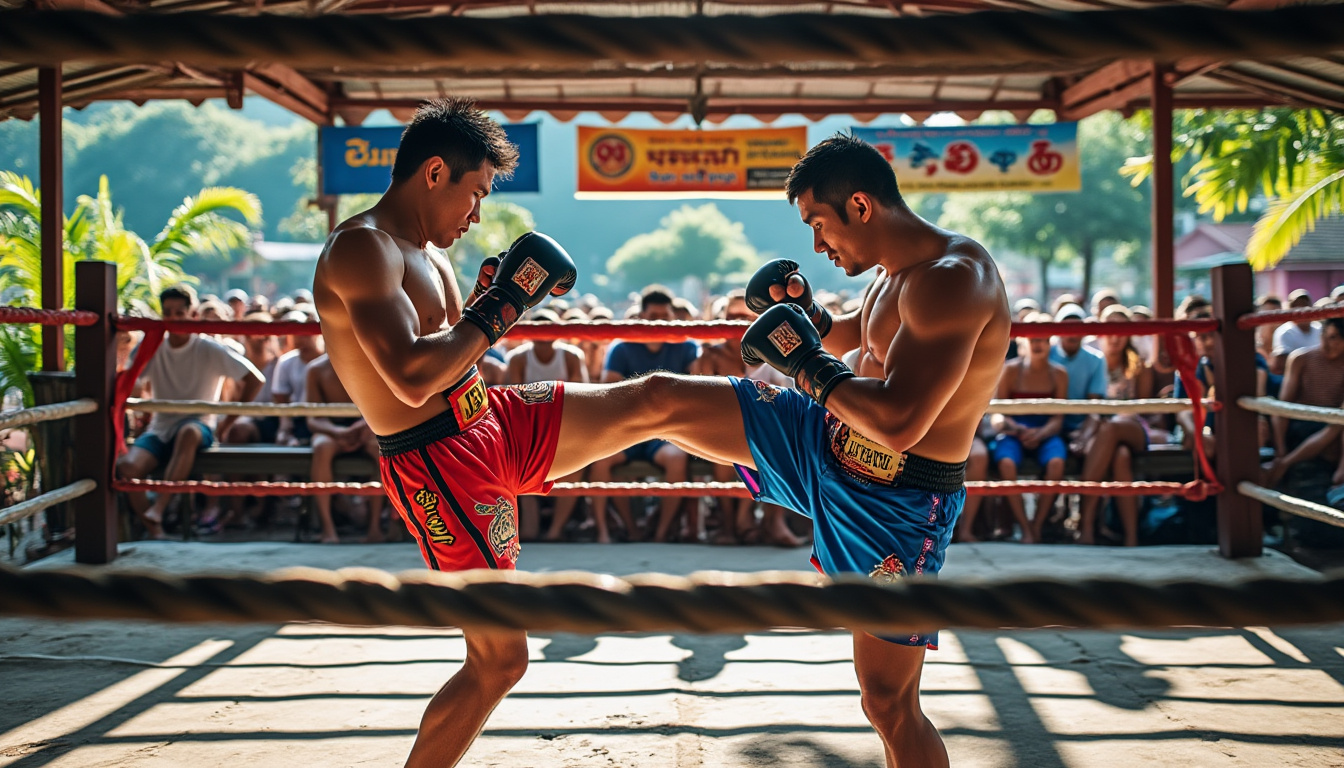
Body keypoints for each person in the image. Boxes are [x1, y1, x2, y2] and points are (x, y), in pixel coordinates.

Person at [313, 106, 1004, 767]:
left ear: (860, 207)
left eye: (819, 227)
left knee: (887, 701)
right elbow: (409, 379)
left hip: (895, 494)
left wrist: (805, 345)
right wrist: (803, 323)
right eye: (477, 194)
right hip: (443, 456)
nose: (478, 214)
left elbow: (901, 418)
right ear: (435, 174)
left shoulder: (950, 279)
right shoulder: (363, 251)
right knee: (508, 650)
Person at [116, 284, 264, 539]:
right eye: (168, 313)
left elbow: (254, 379)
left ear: (192, 314)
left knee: (188, 432)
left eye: (179, 312)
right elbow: (130, 381)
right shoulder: (153, 346)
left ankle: (160, 508)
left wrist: (226, 423)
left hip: (200, 427)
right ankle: (155, 529)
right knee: (127, 468)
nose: (173, 318)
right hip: (160, 429)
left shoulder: (208, 347)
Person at [691, 290, 806, 548]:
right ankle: (732, 524)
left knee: (774, 443)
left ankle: (766, 522)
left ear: (756, 319)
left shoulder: (772, 353)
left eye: (743, 316)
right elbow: (702, 403)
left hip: (763, 430)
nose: (736, 321)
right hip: (721, 431)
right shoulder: (710, 355)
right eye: (731, 315)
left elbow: (790, 397)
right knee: (729, 447)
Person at [590, 285, 701, 543]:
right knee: (601, 458)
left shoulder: (686, 346)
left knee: (676, 458)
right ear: (641, 317)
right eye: (653, 317)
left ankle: (661, 532)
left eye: (665, 317)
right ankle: (617, 530)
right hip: (628, 429)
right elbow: (610, 392)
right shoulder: (621, 347)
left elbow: (697, 388)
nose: (660, 322)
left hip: (667, 430)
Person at [503, 308, 591, 542]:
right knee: (517, 463)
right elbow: (514, 404)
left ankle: (555, 529)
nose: (544, 338)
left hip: (565, 427)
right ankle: (530, 528)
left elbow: (583, 399)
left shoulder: (571, 356)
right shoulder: (518, 358)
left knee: (576, 465)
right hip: (527, 430)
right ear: (530, 335)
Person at [1075, 305, 1154, 546]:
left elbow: (1143, 408)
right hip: (1101, 432)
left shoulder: (1139, 366)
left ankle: (1085, 524)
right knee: (1120, 458)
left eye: (1121, 330)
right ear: (1100, 330)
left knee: (1112, 428)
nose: (1115, 336)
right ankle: (1130, 536)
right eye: (1109, 329)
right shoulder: (1090, 360)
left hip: (1132, 427)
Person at [989, 312, 1068, 544]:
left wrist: (1041, 433)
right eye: (1033, 339)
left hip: (1045, 432)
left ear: (1049, 342)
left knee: (1056, 463)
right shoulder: (1010, 370)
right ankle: (1024, 526)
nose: (1037, 344)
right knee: (1006, 463)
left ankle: (1037, 524)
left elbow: (1059, 417)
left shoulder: (1059, 374)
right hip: (1014, 431)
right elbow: (998, 412)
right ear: (1024, 341)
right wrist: (1017, 429)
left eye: (1042, 339)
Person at [305, 354, 388, 543]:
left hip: (369, 426)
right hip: (331, 429)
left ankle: (375, 529)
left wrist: (365, 426)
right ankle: (329, 530)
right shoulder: (315, 369)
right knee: (321, 447)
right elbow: (312, 418)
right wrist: (336, 431)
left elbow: (384, 405)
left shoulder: (373, 361)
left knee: (381, 447)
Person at [1263, 317, 1344, 488]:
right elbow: (1282, 408)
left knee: (1337, 432)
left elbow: (1337, 422)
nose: (1328, 344)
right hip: (1301, 423)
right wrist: (1280, 449)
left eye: (1335, 338)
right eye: (1325, 335)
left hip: (1333, 426)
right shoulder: (1301, 359)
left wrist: (1285, 462)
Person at [1271, 289, 1320, 375]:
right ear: (1290, 309)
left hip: (1319, 376)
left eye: (1305, 305)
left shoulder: (1320, 329)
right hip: (1294, 377)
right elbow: (1281, 364)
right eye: (1297, 306)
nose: (1302, 310)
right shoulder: (1284, 332)